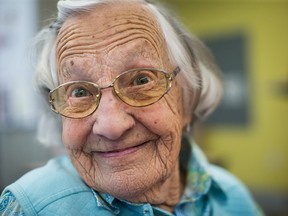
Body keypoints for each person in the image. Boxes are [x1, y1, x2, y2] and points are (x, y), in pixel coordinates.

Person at [0, 0, 263, 215]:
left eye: (140, 80)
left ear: (187, 98)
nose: (111, 126)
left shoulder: (232, 197)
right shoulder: (31, 208)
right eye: (79, 92)